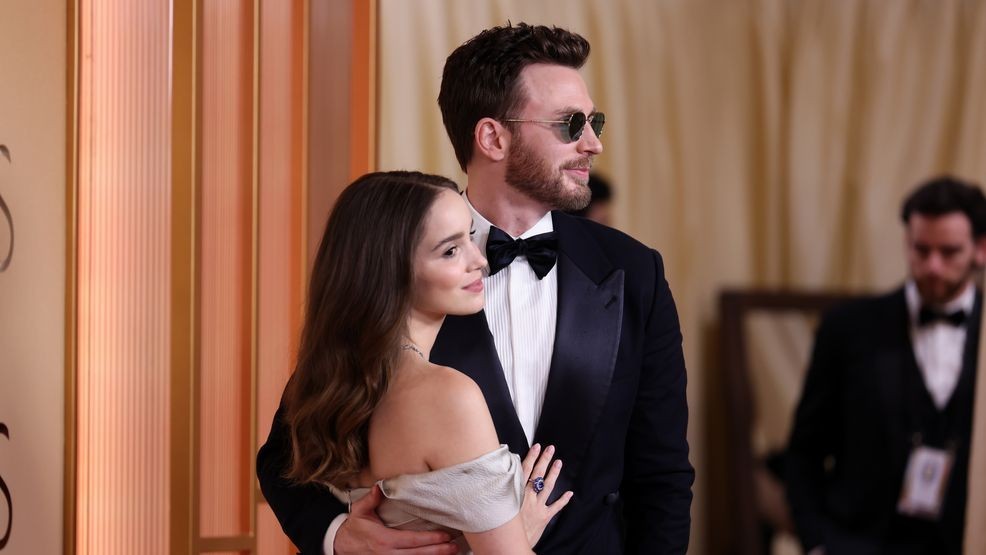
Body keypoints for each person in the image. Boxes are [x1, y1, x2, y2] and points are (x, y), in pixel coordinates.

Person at [259, 23, 694, 554]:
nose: (593, 143)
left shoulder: (634, 270)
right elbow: (285, 456)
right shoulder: (400, 268)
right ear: (492, 137)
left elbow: (663, 475)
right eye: (570, 124)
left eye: (593, 121)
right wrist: (339, 537)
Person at [272, 170, 571, 555]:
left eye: (470, 237)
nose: (479, 259)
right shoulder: (447, 395)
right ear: (391, 271)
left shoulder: (334, 377)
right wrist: (517, 534)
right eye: (450, 251)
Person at [786, 176, 986, 555]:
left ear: (981, 249)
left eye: (949, 252)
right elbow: (803, 452)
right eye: (921, 250)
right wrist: (816, 543)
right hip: (861, 543)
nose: (933, 266)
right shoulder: (848, 327)